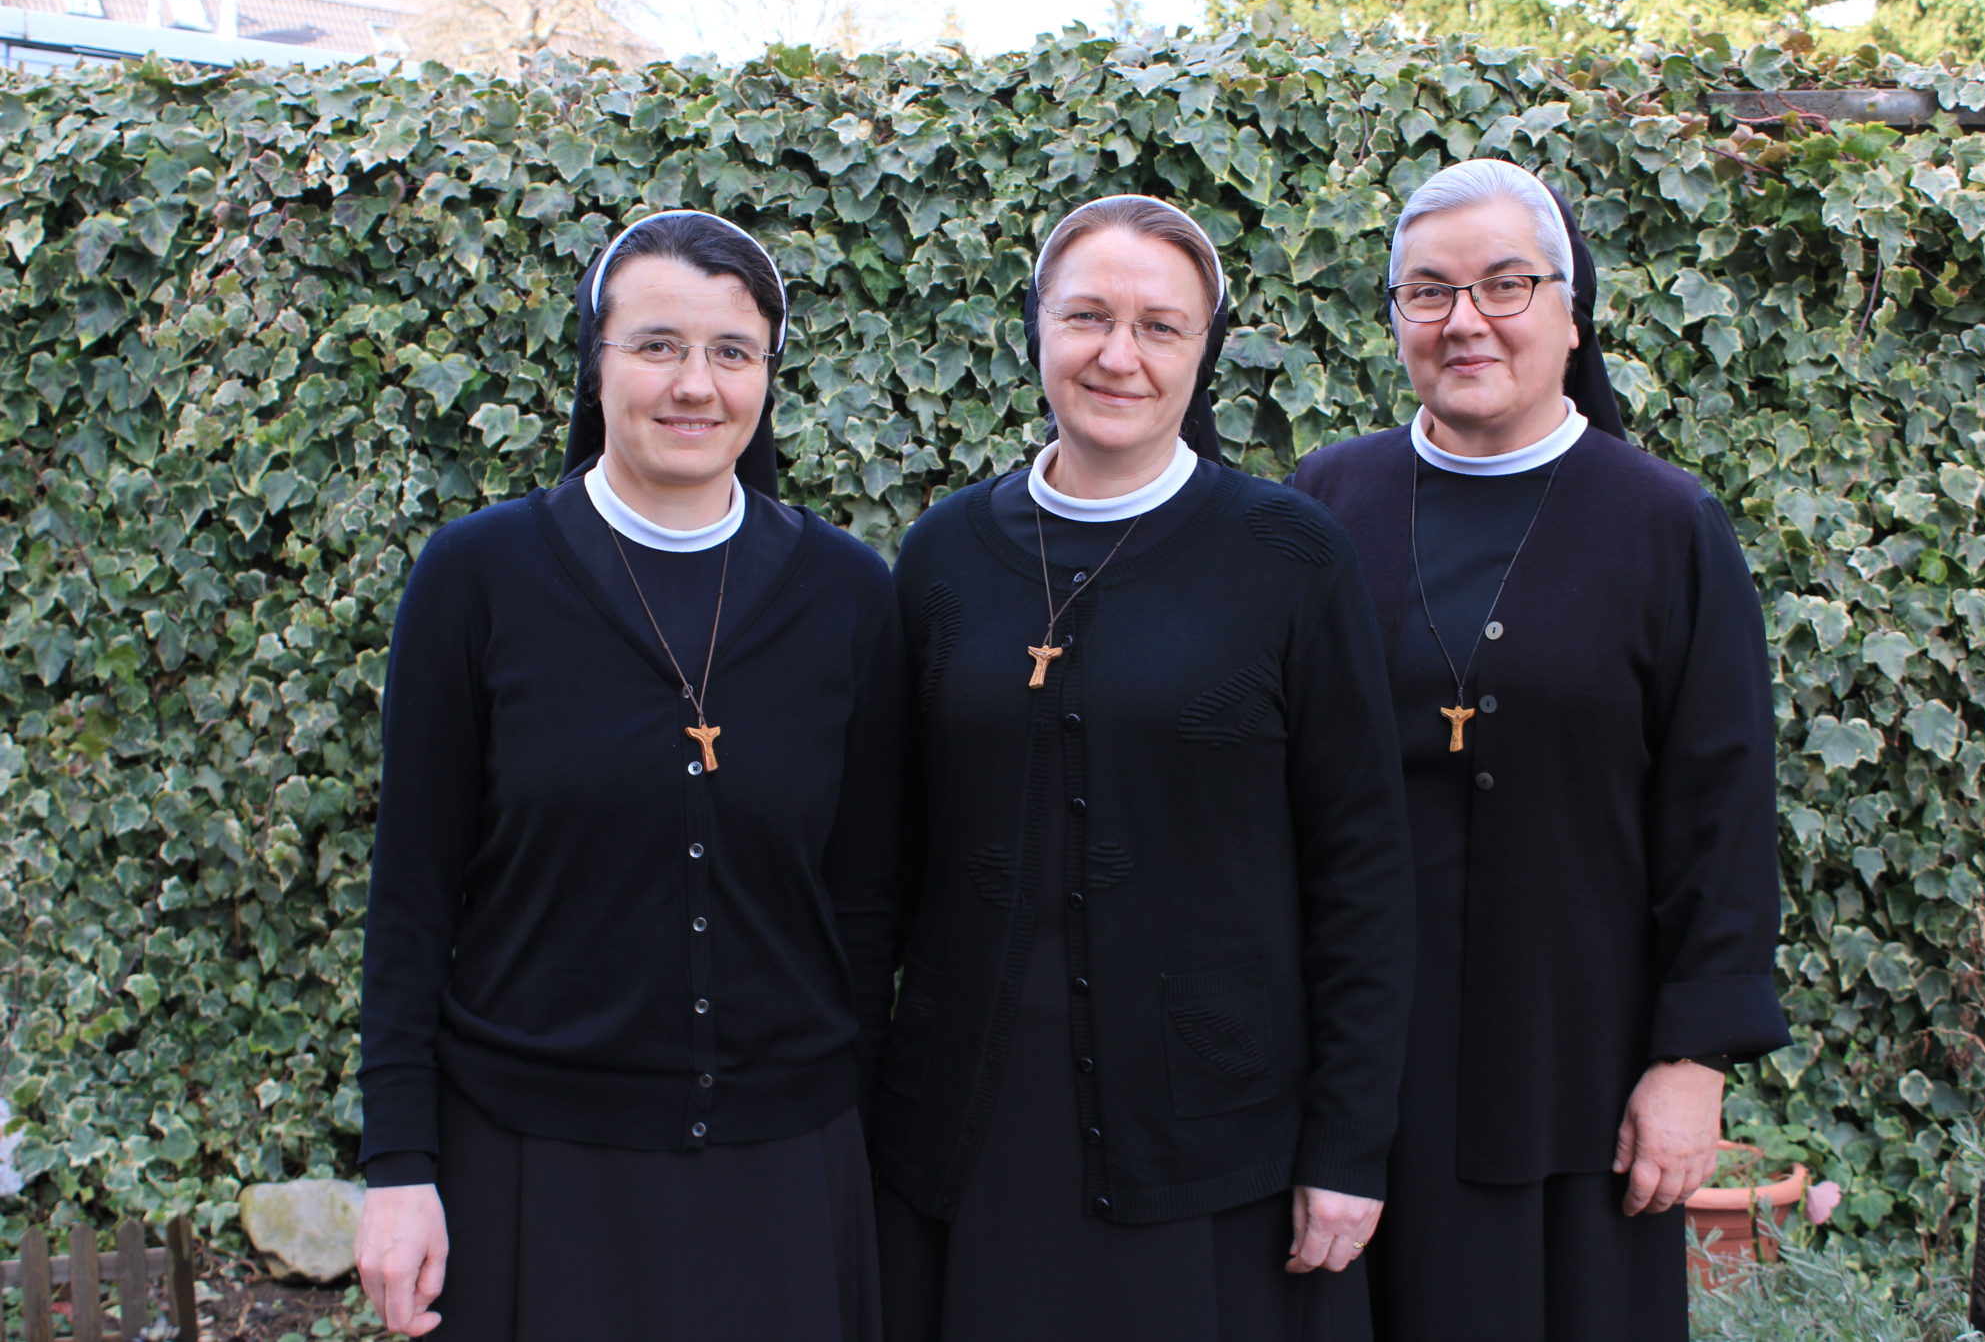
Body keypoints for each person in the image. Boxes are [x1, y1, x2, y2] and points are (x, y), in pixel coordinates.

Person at [351, 210, 903, 1340]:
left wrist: (858, 1145)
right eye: (656, 345)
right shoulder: (477, 578)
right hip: (534, 1163)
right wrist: (398, 1164)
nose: (695, 384)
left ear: (766, 376)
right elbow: (411, 896)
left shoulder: (849, 595)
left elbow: (864, 905)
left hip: (783, 1168)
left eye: (732, 351)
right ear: (593, 364)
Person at [874, 194, 1415, 1342]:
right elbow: (885, 862)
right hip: (975, 1132)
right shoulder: (939, 557)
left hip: (1216, 1139)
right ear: (1033, 326)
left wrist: (1347, 1141)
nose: (1117, 356)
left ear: (1203, 349)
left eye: (1159, 327)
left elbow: (1361, 869)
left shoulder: (1288, 556)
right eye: (1085, 317)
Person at [1293, 158, 1793, 1341]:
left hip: (1577, 1057)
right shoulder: (1325, 501)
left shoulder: (1664, 523)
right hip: (1360, 1061)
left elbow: (1720, 808)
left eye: (1504, 285)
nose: (1463, 321)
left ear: (1572, 313)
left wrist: (1692, 1061)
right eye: (1427, 291)